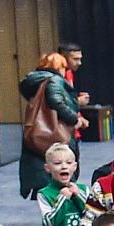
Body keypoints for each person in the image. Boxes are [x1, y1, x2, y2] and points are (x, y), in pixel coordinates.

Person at [17, 50, 82, 199]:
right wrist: (74, 118)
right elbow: (56, 101)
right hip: (56, 133)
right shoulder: (54, 80)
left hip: (37, 134)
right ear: (59, 67)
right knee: (60, 167)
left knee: (44, 171)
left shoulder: (35, 81)